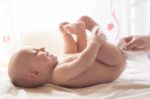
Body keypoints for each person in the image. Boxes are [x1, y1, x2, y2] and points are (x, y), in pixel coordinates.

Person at [8, 16, 126, 88]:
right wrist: (94, 43)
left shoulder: (56, 65)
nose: (42, 48)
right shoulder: (59, 75)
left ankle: (81, 31)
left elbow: (71, 52)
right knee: (93, 43)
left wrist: (65, 35)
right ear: (35, 73)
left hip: (99, 59)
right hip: (113, 64)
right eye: (36, 52)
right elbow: (84, 62)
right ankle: (94, 30)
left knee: (83, 20)